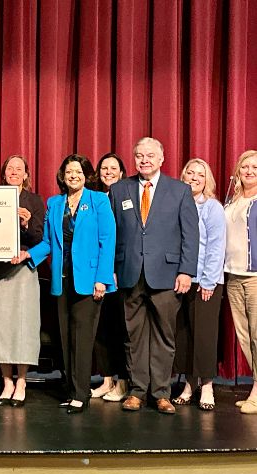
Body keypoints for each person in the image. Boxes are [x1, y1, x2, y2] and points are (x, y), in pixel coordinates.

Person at [16, 154, 116, 413]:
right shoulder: (55, 203)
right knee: (65, 338)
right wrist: (29, 255)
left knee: (83, 339)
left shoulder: (99, 201)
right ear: (62, 175)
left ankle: (81, 394)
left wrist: (102, 280)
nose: (73, 176)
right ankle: (70, 390)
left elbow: (108, 243)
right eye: (69, 172)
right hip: (62, 281)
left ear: (86, 175)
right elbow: (49, 242)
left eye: (78, 172)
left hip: (89, 281)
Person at [109, 137, 199, 414]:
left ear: (162, 159)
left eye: (150, 155)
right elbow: (111, 234)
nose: (144, 160)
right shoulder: (119, 189)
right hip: (129, 273)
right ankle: (137, 391)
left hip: (167, 274)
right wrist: (110, 269)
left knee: (163, 336)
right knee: (133, 336)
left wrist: (186, 270)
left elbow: (190, 234)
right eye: (139, 155)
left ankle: (161, 393)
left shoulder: (180, 190)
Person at [0, 155, 44, 407]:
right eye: (10, 168)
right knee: (0, 326)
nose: (14, 172)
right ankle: (6, 380)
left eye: (19, 169)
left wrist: (27, 222)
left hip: (23, 270)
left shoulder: (35, 200)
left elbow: (41, 237)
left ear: (26, 174)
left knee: (23, 327)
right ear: (4, 173)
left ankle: (22, 380)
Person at [170, 158, 225, 411]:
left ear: (207, 180)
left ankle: (207, 386)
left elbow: (216, 246)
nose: (194, 177)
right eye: (189, 173)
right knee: (184, 335)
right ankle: (189, 384)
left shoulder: (212, 208)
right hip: (180, 281)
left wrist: (208, 281)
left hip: (206, 281)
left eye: (199, 175)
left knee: (204, 335)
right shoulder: (175, 205)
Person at [91, 153, 129, 402]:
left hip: (119, 273)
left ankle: (123, 383)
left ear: (122, 173)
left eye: (114, 168)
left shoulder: (127, 197)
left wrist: (114, 268)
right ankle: (106, 380)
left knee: (121, 329)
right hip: (96, 272)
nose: (108, 171)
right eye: (104, 168)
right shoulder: (93, 198)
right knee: (101, 328)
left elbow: (125, 237)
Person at [224, 150, 257, 414]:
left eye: (255, 167)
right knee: (245, 337)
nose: (249, 171)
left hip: (255, 276)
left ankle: (256, 393)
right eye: (245, 167)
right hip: (232, 275)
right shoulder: (232, 198)